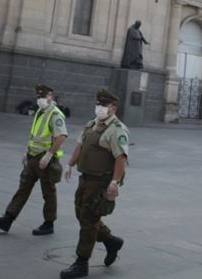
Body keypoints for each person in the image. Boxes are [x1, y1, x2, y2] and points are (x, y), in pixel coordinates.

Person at [60, 89, 130, 279]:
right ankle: (111, 241)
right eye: (98, 104)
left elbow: (121, 157)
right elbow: (80, 146)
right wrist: (70, 164)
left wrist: (114, 182)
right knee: (81, 214)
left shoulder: (117, 130)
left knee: (88, 220)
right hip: (86, 178)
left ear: (113, 108)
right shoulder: (92, 124)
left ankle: (81, 263)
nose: (99, 108)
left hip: (100, 181)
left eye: (104, 105)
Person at [0, 83, 68, 236]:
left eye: (43, 97)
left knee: (48, 192)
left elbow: (61, 136)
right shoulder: (40, 111)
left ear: (51, 97)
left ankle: (49, 223)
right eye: (38, 97)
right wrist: (27, 150)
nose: (40, 99)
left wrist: (49, 154)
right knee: (23, 188)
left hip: (46, 160)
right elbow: (35, 135)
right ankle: (8, 219)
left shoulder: (55, 114)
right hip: (33, 157)